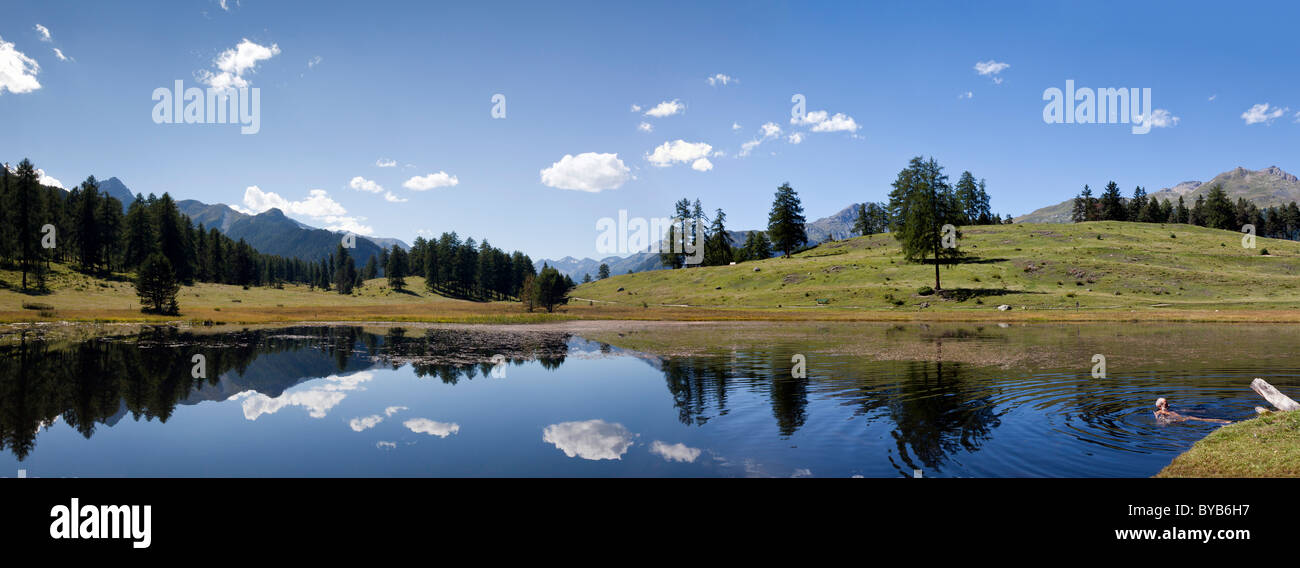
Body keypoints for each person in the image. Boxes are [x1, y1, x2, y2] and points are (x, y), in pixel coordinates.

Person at [1154, 398, 1231, 424]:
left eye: (1167, 403)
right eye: (1166, 404)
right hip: (1181, 418)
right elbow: (1159, 419)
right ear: (1159, 406)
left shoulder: (1166, 409)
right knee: (1200, 419)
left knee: (1199, 416)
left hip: (1180, 418)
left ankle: (1223, 421)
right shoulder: (1160, 412)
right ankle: (1223, 421)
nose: (1168, 405)